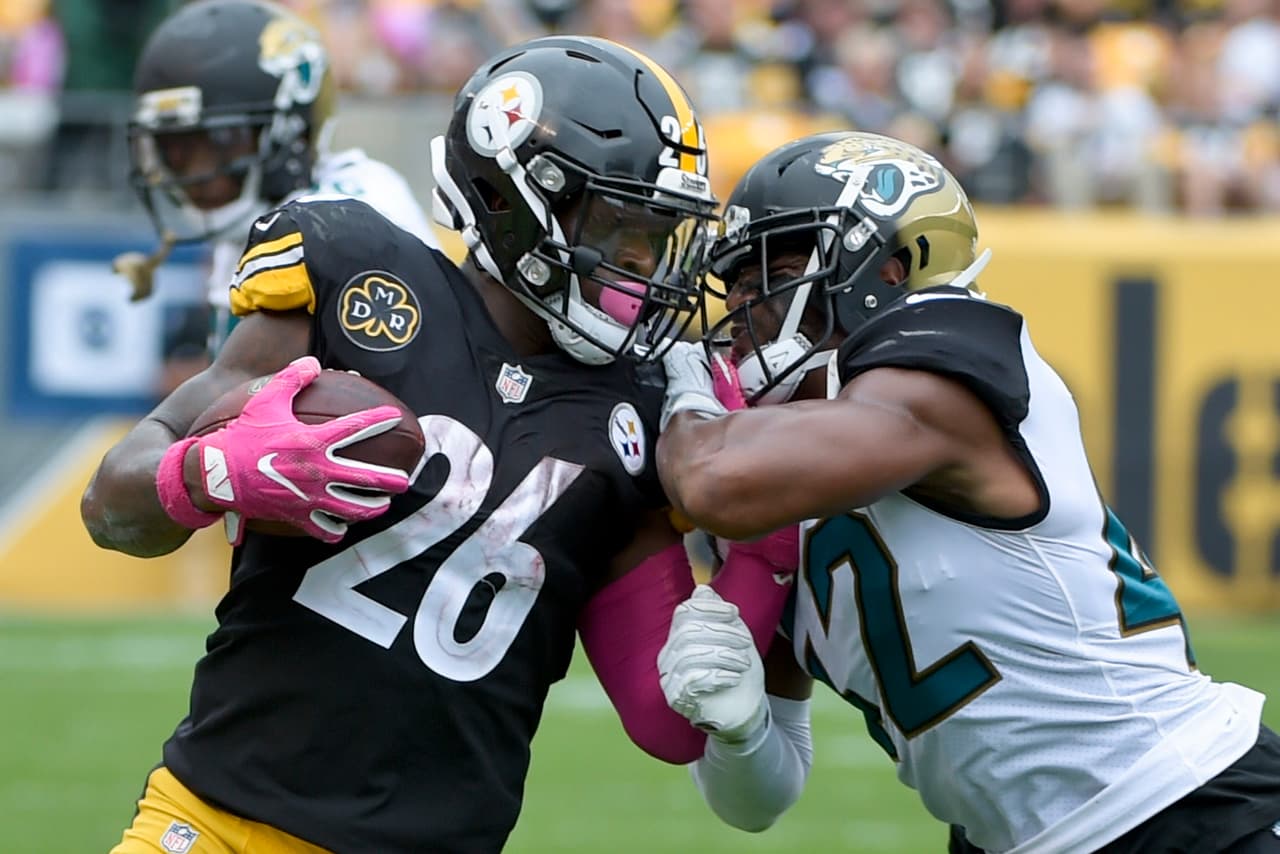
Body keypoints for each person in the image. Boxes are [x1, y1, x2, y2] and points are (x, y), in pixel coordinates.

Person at [81, 35, 798, 854]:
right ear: (514, 200)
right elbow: (111, 506)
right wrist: (207, 470)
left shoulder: (632, 415)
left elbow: (669, 719)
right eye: (620, 228)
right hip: (218, 827)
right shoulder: (356, 275)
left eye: (657, 236)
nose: (641, 268)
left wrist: (763, 550)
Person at [654, 131, 1280, 853]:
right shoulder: (785, 486)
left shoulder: (945, 354)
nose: (743, 313)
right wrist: (739, 727)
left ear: (888, 272)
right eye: (734, 287)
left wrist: (684, 400)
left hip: (1179, 803)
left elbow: (711, 481)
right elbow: (758, 800)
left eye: (776, 275)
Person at [115, 0, 438, 357]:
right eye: (173, 146)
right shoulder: (249, 224)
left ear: (292, 133)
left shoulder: (344, 217)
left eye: (218, 142)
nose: (193, 172)